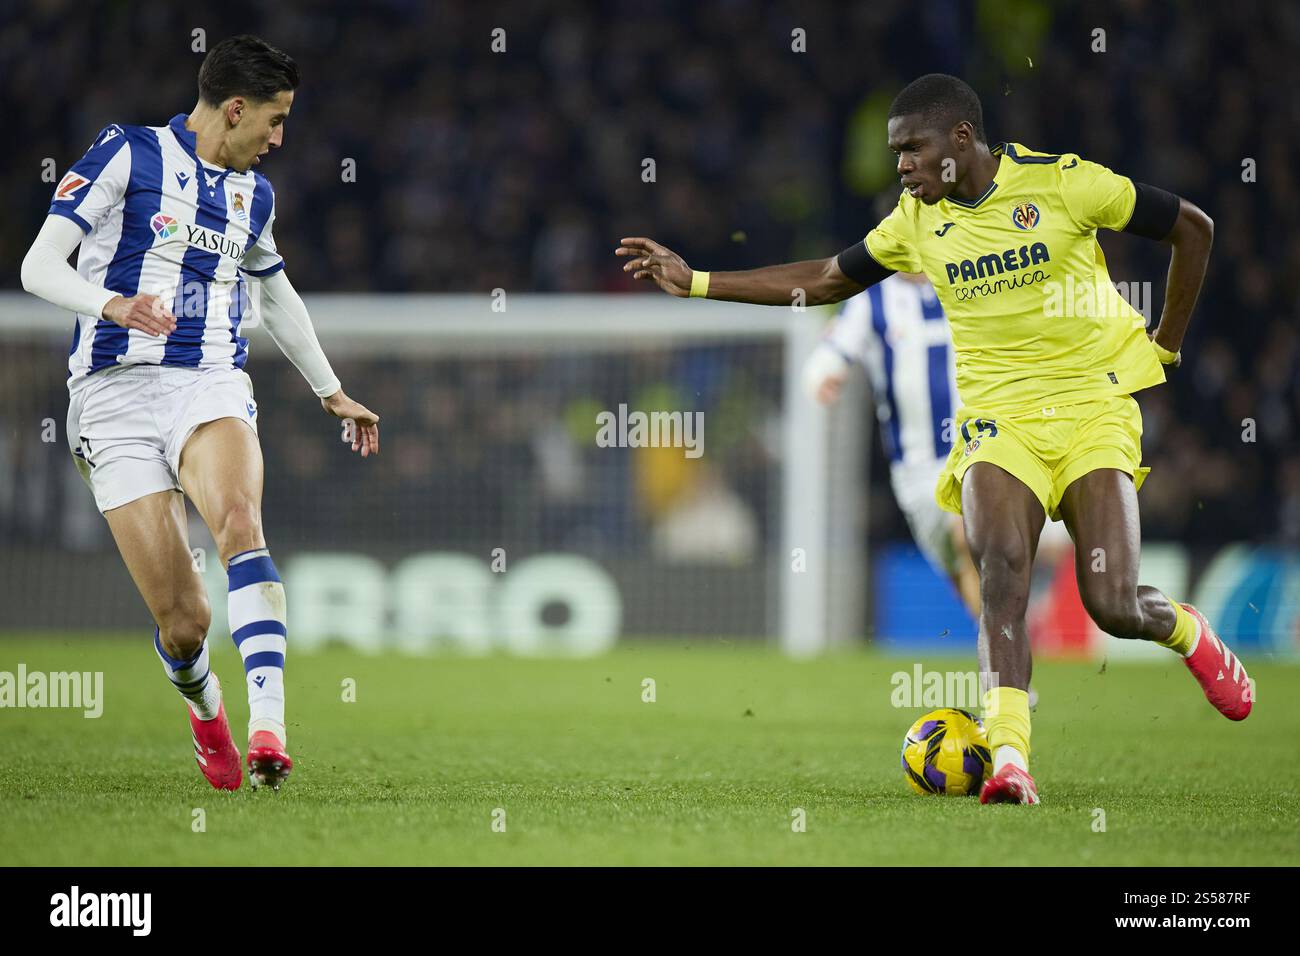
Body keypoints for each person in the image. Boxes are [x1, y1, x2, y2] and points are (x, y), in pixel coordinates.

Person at [616, 72, 1250, 806]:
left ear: (960, 139)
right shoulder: (916, 223)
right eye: (894, 155)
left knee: (1111, 603)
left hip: (1092, 408)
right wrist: (696, 280)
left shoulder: (1067, 184)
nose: (901, 168)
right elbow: (826, 278)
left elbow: (1192, 228)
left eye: (912, 149)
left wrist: (1165, 342)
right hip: (994, 422)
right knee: (1001, 573)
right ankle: (1011, 759)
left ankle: (1188, 634)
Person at [20, 34, 380, 791]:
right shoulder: (127, 154)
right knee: (184, 623)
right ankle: (206, 707)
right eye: (275, 121)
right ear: (237, 108)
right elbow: (37, 267)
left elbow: (274, 291)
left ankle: (270, 728)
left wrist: (329, 388)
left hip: (208, 379)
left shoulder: (258, 197)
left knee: (241, 526)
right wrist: (111, 301)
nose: (279, 140)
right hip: (112, 396)